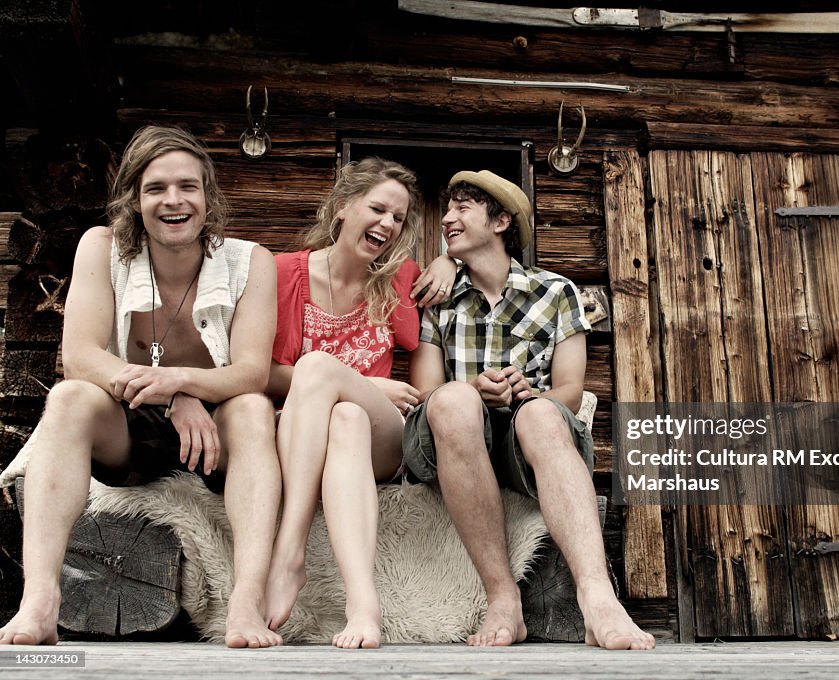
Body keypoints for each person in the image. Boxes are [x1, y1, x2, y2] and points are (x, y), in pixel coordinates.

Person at [0, 126, 283, 648]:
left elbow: (249, 373)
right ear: (134, 198)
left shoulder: (250, 262)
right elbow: (81, 357)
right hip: (127, 426)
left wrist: (186, 384)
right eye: (155, 188)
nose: (172, 201)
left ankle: (246, 602)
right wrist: (172, 396)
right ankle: (40, 600)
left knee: (251, 409)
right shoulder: (102, 247)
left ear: (208, 195)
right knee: (68, 397)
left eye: (187, 186)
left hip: (215, 436)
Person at [403, 170, 656, 650]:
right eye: (448, 208)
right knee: (455, 400)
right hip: (452, 439)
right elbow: (427, 392)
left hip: (526, 445)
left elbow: (570, 391)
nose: (448, 219)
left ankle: (598, 598)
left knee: (541, 412)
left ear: (500, 221)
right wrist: (476, 390)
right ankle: (503, 599)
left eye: (461, 209)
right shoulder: (436, 297)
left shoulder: (556, 292)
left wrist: (526, 395)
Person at [264, 157, 455, 649]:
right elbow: (257, 371)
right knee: (343, 411)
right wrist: (357, 384)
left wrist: (449, 260)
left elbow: (471, 259)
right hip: (307, 429)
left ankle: (290, 550)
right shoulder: (283, 273)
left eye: (398, 217)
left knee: (333, 387)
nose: (388, 224)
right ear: (343, 206)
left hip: (383, 436)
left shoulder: (400, 279)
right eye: (378, 208)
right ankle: (363, 604)